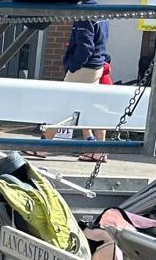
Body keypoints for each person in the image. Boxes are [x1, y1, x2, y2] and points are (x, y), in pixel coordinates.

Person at [41, 13, 110, 160]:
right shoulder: (102, 14)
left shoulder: (84, 16)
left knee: (62, 105)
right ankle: (98, 148)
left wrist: (73, 66)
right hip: (96, 66)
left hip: (83, 68)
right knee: (90, 107)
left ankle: (43, 146)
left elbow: (85, 47)